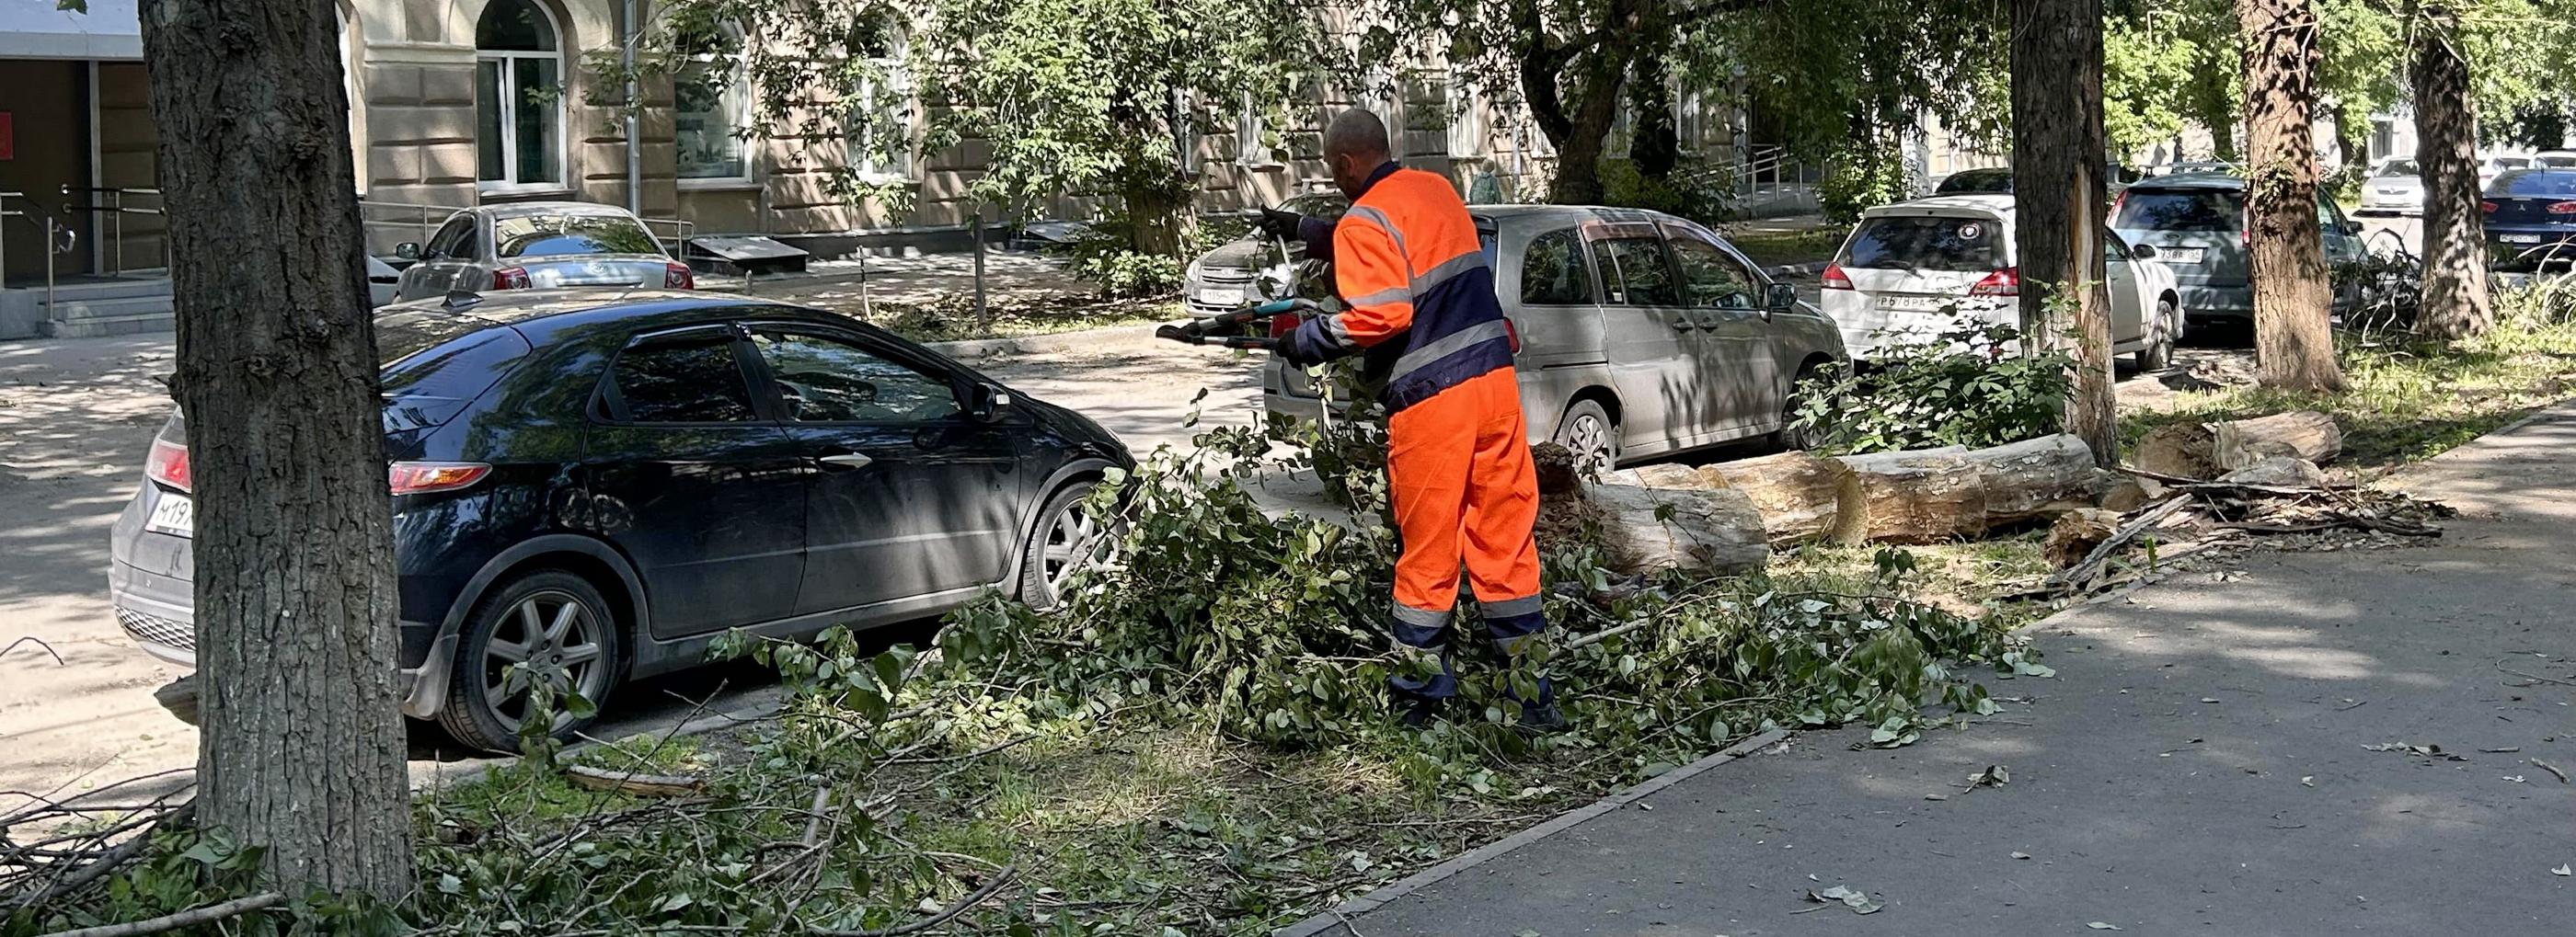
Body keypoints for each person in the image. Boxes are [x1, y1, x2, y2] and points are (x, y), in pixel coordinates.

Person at [1255, 109, 1560, 731]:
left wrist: (1307, 339)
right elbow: (1405, 238)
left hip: (1435, 401)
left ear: (1342, 165)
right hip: (1496, 388)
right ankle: (1533, 700)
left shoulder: (1363, 219)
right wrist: (1311, 230)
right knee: (1504, 543)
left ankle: (1423, 705)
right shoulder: (1436, 189)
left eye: (1332, 169)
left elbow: (1384, 312)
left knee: (1427, 550)